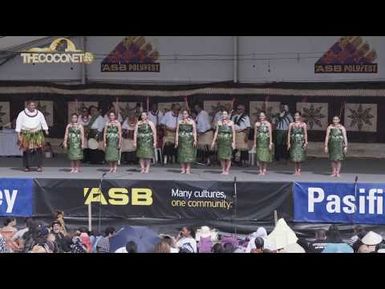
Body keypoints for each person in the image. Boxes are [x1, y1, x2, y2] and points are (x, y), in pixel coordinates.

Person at [15, 100, 49, 172]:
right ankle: (26, 166)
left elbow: (43, 121)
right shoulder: (22, 114)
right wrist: (18, 134)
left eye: (33, 105)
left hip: (37, 134)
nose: (32, 107)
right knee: (26, 150)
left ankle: (39, 166)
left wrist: (46, 129)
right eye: (31, 105)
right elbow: (18, 123)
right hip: (26, 134)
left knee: (39, 150)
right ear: (27, 106)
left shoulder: (39, 113)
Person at [211, 110, 235, 175]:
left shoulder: (231, 123)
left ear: (227, 115)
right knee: (221, 156)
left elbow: (233, 132)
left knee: (228, 156)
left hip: (228, 140)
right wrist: (213, 141)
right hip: (221, 141)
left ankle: (227, 170)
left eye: (225, 114)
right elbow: (216, 132)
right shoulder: (219, 122)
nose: (224, 115)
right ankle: (223, 169)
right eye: (223, 114)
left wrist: (233, 142)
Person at [175, 109, 197, 174]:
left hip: (189, 139)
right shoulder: (179, 122)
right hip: (182, 139)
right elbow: (177, 131)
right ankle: (182, 168)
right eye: (183, 114)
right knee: (181, 153)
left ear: (188, 114)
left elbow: (194, 131)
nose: (184, 115)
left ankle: (188, 168)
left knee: (189, 153)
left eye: (185, 113)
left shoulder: (192, 122)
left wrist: (195, 140)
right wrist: (176, 140)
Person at [287, 111, 308, 176]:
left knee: (300, 155)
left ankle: (299, 170)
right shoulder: (291, 124)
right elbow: (289, 133)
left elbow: (305, 133)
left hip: (300, 141)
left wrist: (306, 142)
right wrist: (288, 142)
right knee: (295, 156)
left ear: (300, 116)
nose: (296, 117)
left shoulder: (303, 124)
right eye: (295, 116)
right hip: (294, 141)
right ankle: (295, 170)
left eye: (297, 116)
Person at [253, 111, 273, 176]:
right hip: (259, 142)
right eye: (260, 116)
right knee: (259, 156)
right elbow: (255, 134)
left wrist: (270, 143)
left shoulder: (268, 124)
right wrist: (255, 143)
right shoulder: (257, 124)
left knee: (265, 156)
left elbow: (270, 134)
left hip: (266, 142)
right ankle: (260, 170)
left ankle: (264, 169)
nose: (261, 117)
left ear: (265, 116)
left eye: (263, 116)